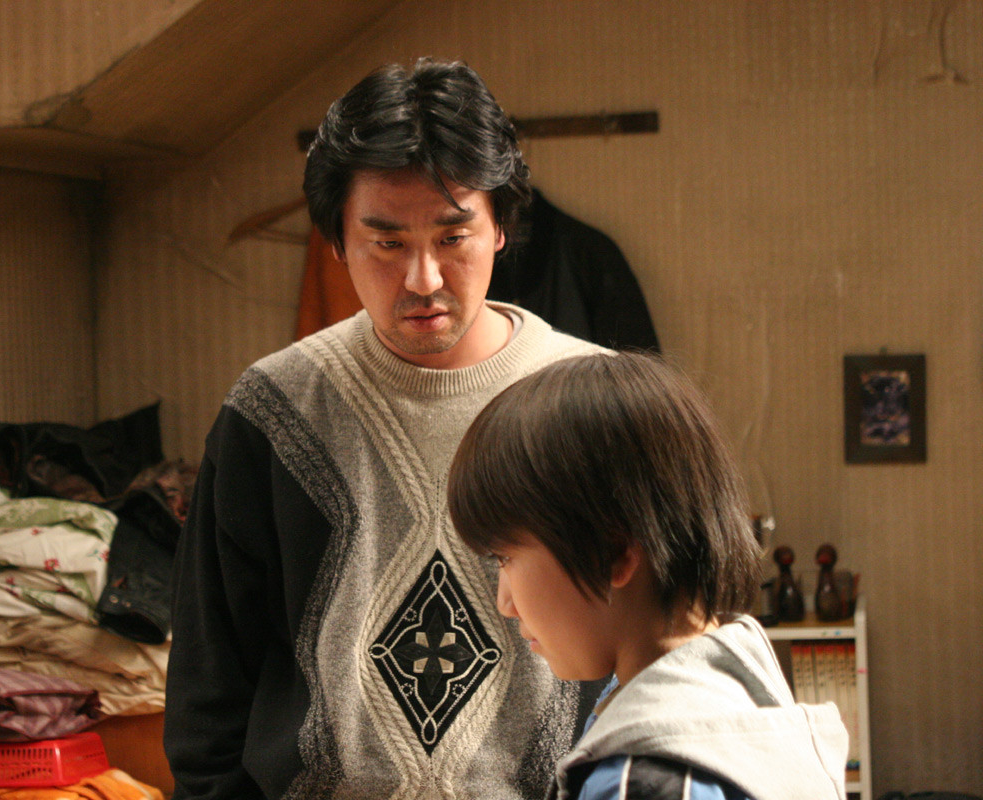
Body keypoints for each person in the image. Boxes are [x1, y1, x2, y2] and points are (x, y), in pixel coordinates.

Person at [164, 58, 609, 800]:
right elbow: (209, 683)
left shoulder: (597, 403)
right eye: (388, 242)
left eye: (453, 237)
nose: (423, 279)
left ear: (501, 227)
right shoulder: (273, 410)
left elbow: (668, 653)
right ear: (337, 241)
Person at [446, 352, 850, 800]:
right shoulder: (739, 693)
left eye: (504, 558)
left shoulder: (646, 781)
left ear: (613, 554)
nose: (504, 603)